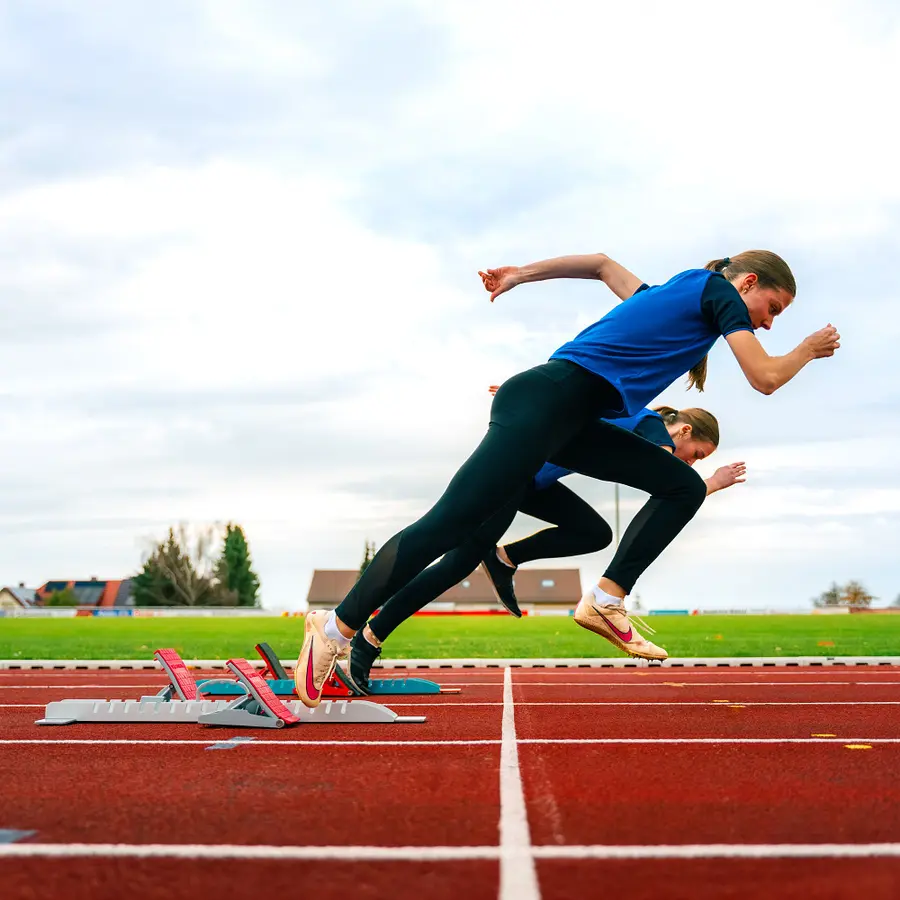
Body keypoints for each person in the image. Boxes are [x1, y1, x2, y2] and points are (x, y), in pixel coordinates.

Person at [295, 250, 839, 707]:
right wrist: (807, 351)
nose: (768, 323)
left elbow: (602, 265)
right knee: (447, 527)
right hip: (547, 405)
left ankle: (605, 598)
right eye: (771, 308)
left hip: (567, 418)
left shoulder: (673, 293)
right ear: (746, 283)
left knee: (684, 485)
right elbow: (765, 377)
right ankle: (336, 630)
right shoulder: (716, 292)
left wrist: (517, 276)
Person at [344, 402, 746, 691]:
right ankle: (367, 638)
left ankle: (504, 558)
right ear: (685, 431)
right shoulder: (652, 425)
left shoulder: (628, 413)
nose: (691, 463)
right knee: (456, 562)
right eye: (696, 456)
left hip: (533, 482)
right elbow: (668, 478)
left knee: (594, 532)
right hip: (512, 473)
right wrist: (706, 485)